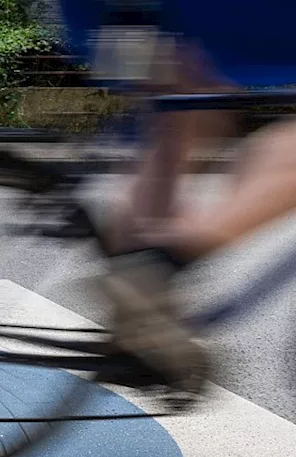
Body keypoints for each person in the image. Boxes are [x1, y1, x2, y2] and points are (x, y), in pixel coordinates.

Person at [57, 0, 296, 395]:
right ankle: (163, 263)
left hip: (105, 12)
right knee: (189, 100)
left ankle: (138, 323)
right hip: (213, 15)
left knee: (181, 108)